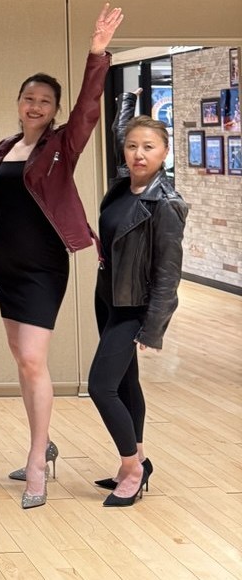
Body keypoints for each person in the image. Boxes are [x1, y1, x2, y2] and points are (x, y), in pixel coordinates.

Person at [0, 3, 124, 509]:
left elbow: (89, 107)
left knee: (33, 360)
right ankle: (43, 445)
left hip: (44, 268)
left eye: (45, 101)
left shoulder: (63, 144)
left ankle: (38, 462)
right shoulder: (3, 149)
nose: (35, 106)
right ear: (18, 103)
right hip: (9, 268)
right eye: (29, 98)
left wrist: (97, 52)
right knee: (23, 364)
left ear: (55, 109)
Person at [89, 115, 186, 507]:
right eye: (132, 146)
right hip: (107, 298)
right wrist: (123, 102)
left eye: (149, 147)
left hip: (134, 306)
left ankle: (132, 468)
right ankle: (137, 457)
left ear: (165, 152)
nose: (138, 154)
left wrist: (153, 326)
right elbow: (119, 130)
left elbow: (168, 272)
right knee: (126, 382)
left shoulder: (166, 203)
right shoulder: (122, 186)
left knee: (101, 386)